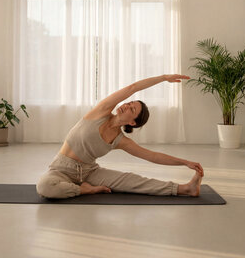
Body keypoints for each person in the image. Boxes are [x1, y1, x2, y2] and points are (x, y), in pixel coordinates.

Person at [36, 74, 204, 199]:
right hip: (61, 169)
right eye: (129, 103)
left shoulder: (120, 141)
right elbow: (133, 87)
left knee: (132, 181)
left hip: (89, 172)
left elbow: (153, 156)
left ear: (132, 123)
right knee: (45, 187)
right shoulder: (101, 112)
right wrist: (164, 78)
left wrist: (185, 162)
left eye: (132, 110)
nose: (126, 105)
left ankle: (185, 189)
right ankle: (84, 189)